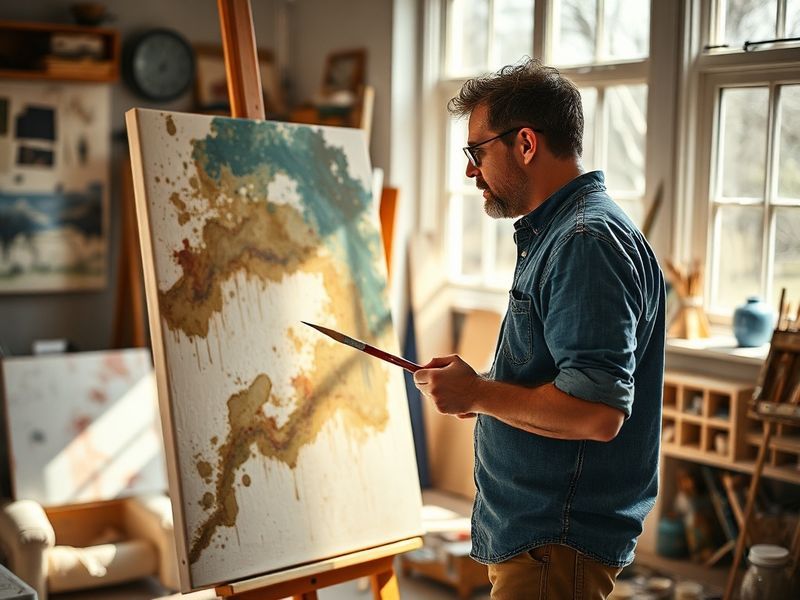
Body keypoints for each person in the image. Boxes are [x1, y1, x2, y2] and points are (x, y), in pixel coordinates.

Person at [413, 59, 665, 599]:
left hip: (554, 538)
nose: (469, 172)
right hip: (540, 536)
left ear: (525, 143)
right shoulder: (561, 234)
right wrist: (477, 392)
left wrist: (478, 393)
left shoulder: (583, 241)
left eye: (476, 152)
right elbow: (556, 377)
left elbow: (597, 415)